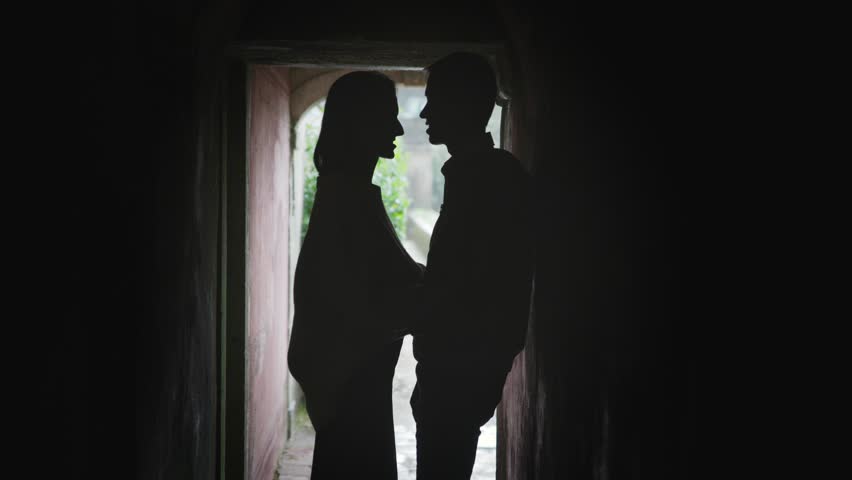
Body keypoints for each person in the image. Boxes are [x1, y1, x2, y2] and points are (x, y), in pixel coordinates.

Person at [287, 71, 423, 480]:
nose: (399, 128)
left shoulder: (345, 192)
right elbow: (366, 296)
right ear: (361, 123)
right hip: (353, 388)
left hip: (355, 384)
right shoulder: (347, 198)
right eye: (389, 116)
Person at [408, 52, 534, 479]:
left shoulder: (489, 181)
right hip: (460, 370)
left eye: (434, 100)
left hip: (459, 372)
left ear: (462, 105)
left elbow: (475, 285)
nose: (424, 112)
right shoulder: (484, 174)